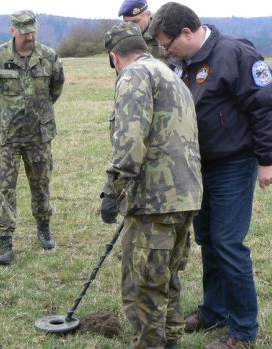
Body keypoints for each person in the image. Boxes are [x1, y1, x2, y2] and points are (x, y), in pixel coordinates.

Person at [149, 3, 272, 348]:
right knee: (207, 239)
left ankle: (242, 330)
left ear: (187, 32)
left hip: (233, 164)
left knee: (227, 243)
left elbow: (266, 106)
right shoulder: (180, 63)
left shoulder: (235, 54)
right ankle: (215, 310)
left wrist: (268, 159)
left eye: (168, 45)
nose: (165, 52)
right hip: (197, 167)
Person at [100, 21, 203, 349]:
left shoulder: (133, 75)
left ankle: (152, 343)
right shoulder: (173, 76)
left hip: (154, 199)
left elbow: (129, 141)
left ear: (115, 57)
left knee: (144, 284)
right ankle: (171, 339)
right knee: (167, 277)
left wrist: (112, 190)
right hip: (185, 196)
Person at [0, 10, 65, 265]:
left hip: (39, 135)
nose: (29, 35)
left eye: (32, 30)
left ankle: (44, 227)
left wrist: (40, 112)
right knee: (5, 189)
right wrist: (4, 114)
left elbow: (56, 87)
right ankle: (5, 241)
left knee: (41, 184)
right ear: (13, 30)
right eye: (24, 31)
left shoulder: (48, 56)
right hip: (8, 138)